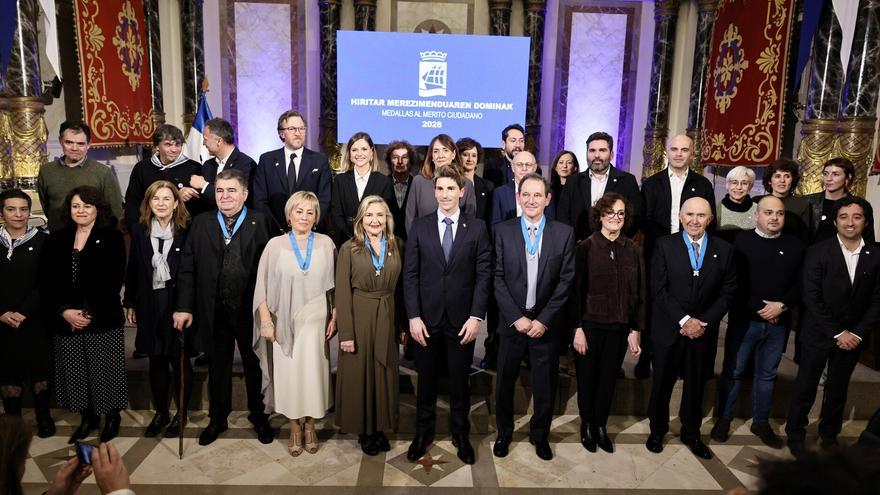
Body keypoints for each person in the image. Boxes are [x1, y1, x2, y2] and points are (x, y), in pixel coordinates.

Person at [173, 169, 274, 446]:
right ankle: (217, 418)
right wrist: (183, 306)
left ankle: (259, 415)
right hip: (213, 309)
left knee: (255, 365)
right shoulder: (201, 222)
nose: (225, 196)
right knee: (218, 366)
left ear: (244, 194)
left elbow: (274, 268)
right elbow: (187, 269)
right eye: (220, 190)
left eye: (231, 190)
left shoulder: (261, 221)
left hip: (250, 309)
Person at [404, 165, 492, 465]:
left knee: (459, 383)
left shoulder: (477, 228)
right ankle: (422, 434)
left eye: (450, 189)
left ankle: (460, 435)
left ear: (461, 191)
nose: (444, 194)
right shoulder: (420, 226)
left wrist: (476, 316)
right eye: (439, 189)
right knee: (426, 381)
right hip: (425, 321)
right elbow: (410, 275)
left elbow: (484, 275)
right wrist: (413, 316)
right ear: (434, 191)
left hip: (462, 321)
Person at [785, 196, 880, 455]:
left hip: (854, 337)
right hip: (819, 332)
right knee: (805, 387)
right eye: (844, 217)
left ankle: (829, 435)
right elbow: (811, 296)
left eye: (857, 217)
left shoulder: (875, 254)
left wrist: (857, 333)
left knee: (838, 389)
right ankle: (795, 434)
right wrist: (838, 332)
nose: (850, 223)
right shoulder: (817, 251)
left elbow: (877, 300)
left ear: (866, 221)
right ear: (836, 221)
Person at [644, 197, 736, 460]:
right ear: (681, 217)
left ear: (710, 219)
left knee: (696, 386)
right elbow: (658, 289)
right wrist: (684, 320)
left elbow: (728, 291)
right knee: (661, 384)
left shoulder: (724, 249)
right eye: (690, 215)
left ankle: (691, 433)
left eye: (701, 215)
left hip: (703, 332)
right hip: (669, 329)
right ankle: (657, 431)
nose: (695, 220)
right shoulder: (664, 245)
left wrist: (702, 321)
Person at [492, 173, 574, 461]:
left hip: (545, 325)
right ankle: (504, 432)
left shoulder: (563, 233)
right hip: (512, 323)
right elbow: (497, 278)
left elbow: (566, 281)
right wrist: (516, 318)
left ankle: (540, 436)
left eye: (537, 195)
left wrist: (543, 319)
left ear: (548, 199)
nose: (531, 200)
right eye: (526, 194)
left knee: (545, 384)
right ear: (518, 197)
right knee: (504, 383)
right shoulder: (502, 231)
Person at [711, 196, 804, 447]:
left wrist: (781, 306)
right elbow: (734, 282)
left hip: (778, 322)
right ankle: (724, 418)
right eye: (768, 212)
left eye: (780, 213)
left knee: (767, 374)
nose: (774, 217)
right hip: (745, 320)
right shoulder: (740, 242)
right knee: (735, 369)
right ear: (757, 215)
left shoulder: (795, 245)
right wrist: (761, 308)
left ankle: (761, 422)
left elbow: (800, 284)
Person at [41, 186, 127, 443]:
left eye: (87, 206)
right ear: (69, 209)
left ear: (98, 209)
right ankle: (87, 418)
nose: (81, 211)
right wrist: (64, 311)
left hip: (102, 318)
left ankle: (112, 416)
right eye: (76, 206)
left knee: (105, 370)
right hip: (66, 319)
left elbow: (113, 279)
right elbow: (47, 281)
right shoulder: (56, 239)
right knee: (76, 371)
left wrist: (87, 313)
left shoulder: (111, 237)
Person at [253, 191, 336, 456]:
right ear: (289, 216)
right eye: (298, 211)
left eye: (310, 212)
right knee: (289, 376)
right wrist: (265, 321)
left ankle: (311, 425)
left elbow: (335, 289)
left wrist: (336, 316)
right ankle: (294, 427)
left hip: (316, 322)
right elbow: (261, 288)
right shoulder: (274, 245)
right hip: (283, 323)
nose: (304, 216)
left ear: (316, 217)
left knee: (314, 375)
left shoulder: (326, 243)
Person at [571, 192, 645, 454]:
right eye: (610, 212)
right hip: (589, 326)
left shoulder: (633, 250)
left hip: (619, 326)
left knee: (607, 380)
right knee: (588, 379)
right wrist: (577, 328)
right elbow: (575, 292)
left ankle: (600, 425)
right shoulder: (586, 247)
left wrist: (635, 329)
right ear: (599, 215)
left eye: (621, 213)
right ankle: (587, 424)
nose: (616, 218)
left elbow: (639, 292)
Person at [637, 134, 716, 378]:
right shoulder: (651, 183)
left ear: (692, 153)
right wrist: (666, 245)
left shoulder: (703, 185)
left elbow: (709, 222)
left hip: (691, 253)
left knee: (685, 303)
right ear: (667, 153)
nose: (679, 154)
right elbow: (645, 219)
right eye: (674, 149)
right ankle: (647, 357)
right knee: (655, 305)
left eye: (684, 149)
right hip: (659, 252)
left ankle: (681, 359)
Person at [123, 181, 193, 438]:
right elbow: (133, 269)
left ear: (176, 203)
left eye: (166, 199)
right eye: (156, 199)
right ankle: (162, 412)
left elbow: (191, 271)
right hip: (149, 302)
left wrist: (186, 306)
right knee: (156, 359)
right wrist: (130, 301)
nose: (161, 203)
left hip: (177, 303)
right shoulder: (140, 231)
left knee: (179, 360)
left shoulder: (187, 229)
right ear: (148, 204)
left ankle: (181, 412)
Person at [335, 196, 403, 456]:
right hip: (360, 314)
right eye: (369, 216)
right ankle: (365, 430)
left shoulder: (397, 246)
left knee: (383, 372)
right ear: (360, 220)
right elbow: (342, 292)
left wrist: (401, 324)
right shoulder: (348, 249)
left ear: (387, 219)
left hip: (387, 312)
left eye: (380, 215)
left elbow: (401, 291)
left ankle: (380, 427)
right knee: (360, 374)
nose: (375, 221)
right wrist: (347, 333)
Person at [0, 190, 54, 438]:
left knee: (38, 370)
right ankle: (13, 423)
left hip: (34, 319)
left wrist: (24, 311)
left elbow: (47, 283)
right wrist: (2, 312)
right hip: (2, 321)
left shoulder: (44, 241)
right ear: (2, 212)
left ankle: (44, 416)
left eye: (23, 209)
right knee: (8, 372)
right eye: (11, 209)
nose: (18, 214)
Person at [253, 109, 332, 233]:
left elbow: (324, 199)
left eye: (301, 128)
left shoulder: (319, 160)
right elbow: (260, 200)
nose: (298, 133)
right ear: (281, 133)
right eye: (292, 129)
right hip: (275, 233)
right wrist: (276, 228)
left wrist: (309, 224)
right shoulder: (266, 160)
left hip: (310, 232)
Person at [37, 121, 123, 232]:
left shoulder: (103, 172)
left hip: (93, 238)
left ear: (89, 144)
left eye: (80, 144)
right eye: (69, 142)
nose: (74, 148)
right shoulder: (46, 171)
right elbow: (47, 206)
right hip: (58, 237)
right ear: (60, 141)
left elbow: (114, 210)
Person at [556, 132, 642, 241]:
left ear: (611, 154)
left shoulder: (627, 181)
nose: (596, 155)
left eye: (602, 150)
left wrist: (616, 240)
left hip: (615, 248)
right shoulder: (573, 181)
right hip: (578, 247)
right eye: (592, 151)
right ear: (587, 153)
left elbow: (635, 217)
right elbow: (562, 215)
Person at [124, 124, 207, 233]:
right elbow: (133, 204)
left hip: (184, 232)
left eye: (178, 145)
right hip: (149, 230)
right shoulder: (142, 168)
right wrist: (136, 230)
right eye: (168, 145)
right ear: (157, 146)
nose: (174, 149)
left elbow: (202, 205)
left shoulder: (194, 168)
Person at [330, 132, 396, 246]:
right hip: (346, 241)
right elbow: (336, 215)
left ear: (371, 152)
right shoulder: (340, 180)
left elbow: (386, 216)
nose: (359, 153)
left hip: (375, 242)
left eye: (364, 149)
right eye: (354, 150)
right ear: (349, 154)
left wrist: (368, 238)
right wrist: (352, 238)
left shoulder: (384, 182)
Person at [404, 134, 476, 233]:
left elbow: (470, 220)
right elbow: (410, 219)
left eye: (445, 150)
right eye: (436, 151)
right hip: (423, 243)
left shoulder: (466, 184)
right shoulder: (419, 182)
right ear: (432, 156)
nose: (440, 155)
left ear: (453, 154)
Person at [804, 157, 875, 245]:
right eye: (826, 174)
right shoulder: (808, 201)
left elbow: (868, 240)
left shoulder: (859, 205)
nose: (828, 179)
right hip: (813, 255)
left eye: (835, 174)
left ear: (848, 177)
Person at [189, 118, 258, 207]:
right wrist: (187, 192)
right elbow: (203, 198)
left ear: (219, 141)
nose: (203, 143)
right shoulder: (208, 165)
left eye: (205, 139)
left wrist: (205, 186)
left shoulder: (246, 164)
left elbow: (237, 199)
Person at [490, 151, 554, 226]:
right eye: (519, 165)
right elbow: (495, 225)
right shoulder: (500, 193)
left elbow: (550, 221)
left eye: (528, 165)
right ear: (513, 168)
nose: (524, 168)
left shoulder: (546, 191)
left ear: (535, 168)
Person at [761, 158, 811, 243]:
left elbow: (804, 237)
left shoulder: (802, 204)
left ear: (793, 180)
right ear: (769, 180)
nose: (782, 180)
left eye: (787, 176)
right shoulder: (757, 201)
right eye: (777, 176)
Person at [457, 137, 494, 223]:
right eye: (465, 155)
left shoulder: (488, 186)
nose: (470, 159)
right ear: (458, 157)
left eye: (474, 155)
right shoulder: (451, 183)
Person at [715, 166, 757, 243]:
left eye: (744, 183)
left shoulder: (758, 210)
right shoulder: (716, 209)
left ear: (750, 187)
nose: (739, 187)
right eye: (734, 182)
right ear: (727, 185)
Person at [386, 140, 416, 241]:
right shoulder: (382, 184)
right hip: (387, 241)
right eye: (395, 157)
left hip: (412, 241)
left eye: (404, 157)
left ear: (411, 161)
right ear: (389, 161)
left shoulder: (417, 185)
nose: (400, 161)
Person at [483, 124, 525, 188]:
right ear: (503, 144)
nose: (518, 145)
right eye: (513, 141)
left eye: (521, 141)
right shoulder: (492, 166)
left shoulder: (533, 168)